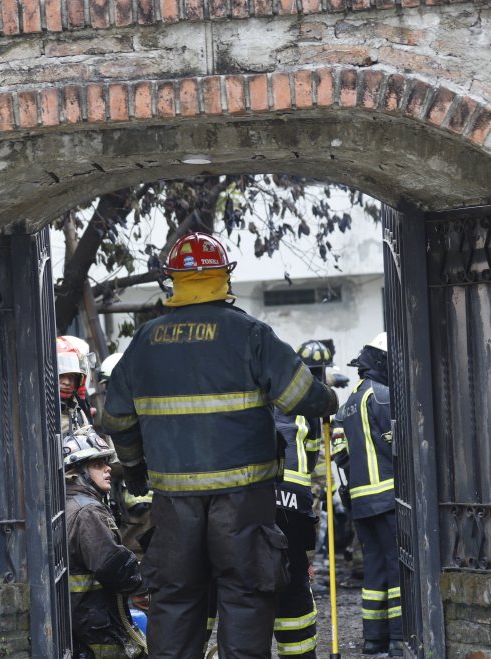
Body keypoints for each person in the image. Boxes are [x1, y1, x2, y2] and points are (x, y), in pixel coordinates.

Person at [102, 232, 339, 659]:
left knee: (174, 599)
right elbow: (301, 395)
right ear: (223, 276)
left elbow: (116, 418)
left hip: (174, 502)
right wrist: (329, 399)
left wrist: (136, 470)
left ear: (173, 279)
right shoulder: (250, 333)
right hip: (244, 500)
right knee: (246, 595)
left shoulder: (145, 341)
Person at [335, 332, 402, 657]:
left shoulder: (348, 403)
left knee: (373, 571)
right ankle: (399, 640)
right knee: (396, 567)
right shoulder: (383, 396)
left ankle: (373, 640)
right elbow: (397, 446)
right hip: (388, 498)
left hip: (360, 503)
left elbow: (341, 456)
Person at [270, 339, 335, 659]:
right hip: (294, 497)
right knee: (294, 574)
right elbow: (311, 457)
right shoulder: (303, 399)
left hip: (247, 498)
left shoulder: (246, 393)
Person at [64, 427, 147, 659]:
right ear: (77, 471)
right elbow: (113, 566)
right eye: (97, 464)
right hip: (97, 626)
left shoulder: (69, 503)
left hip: (82, 620)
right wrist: (148, 582)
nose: (108, 468)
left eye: (106, 463)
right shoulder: (88, 512)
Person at [100, 352, 155, 559]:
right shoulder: (113, 412)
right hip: (123, 501)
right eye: (106, 386)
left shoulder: (141, 414)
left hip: (146, 501)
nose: (109, 392)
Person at [58, 336, 94, 435]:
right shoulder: (39, 409)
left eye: (71, 377)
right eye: (61, 376)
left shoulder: (76, 408)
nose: (67, 382)